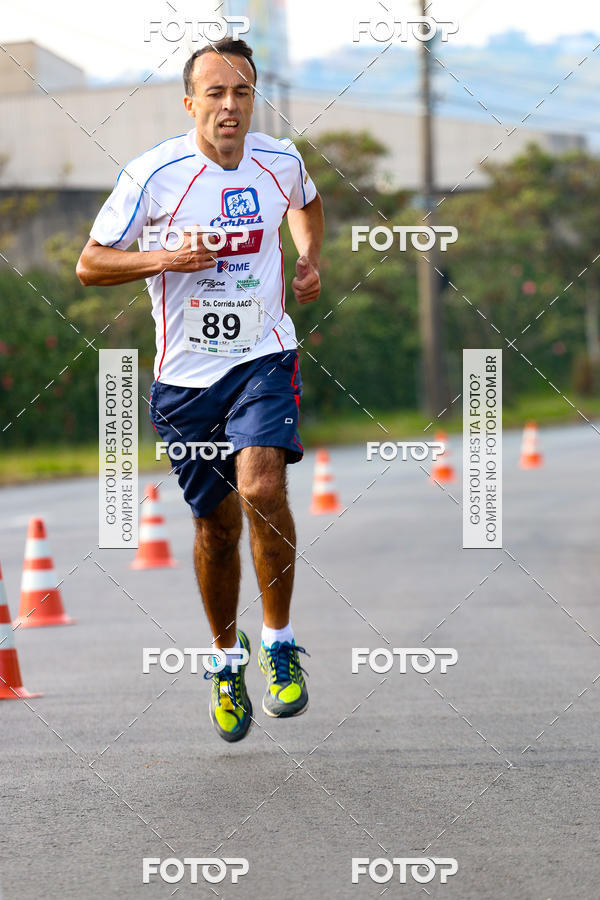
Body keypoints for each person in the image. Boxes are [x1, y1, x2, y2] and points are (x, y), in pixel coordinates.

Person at [76, 38, 324, 742]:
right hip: (186, 381)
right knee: (215, 528)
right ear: (190, 104)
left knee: (263, 489)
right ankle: (225, 659)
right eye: (214, 93)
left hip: (263, 358)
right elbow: (90, 265)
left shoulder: (280, 160)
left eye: (241, 92)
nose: (229, 106)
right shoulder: (154, 175)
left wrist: (308, 260)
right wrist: (167, 257)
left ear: (254, 100)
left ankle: (279, 644)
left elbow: (308, 203)